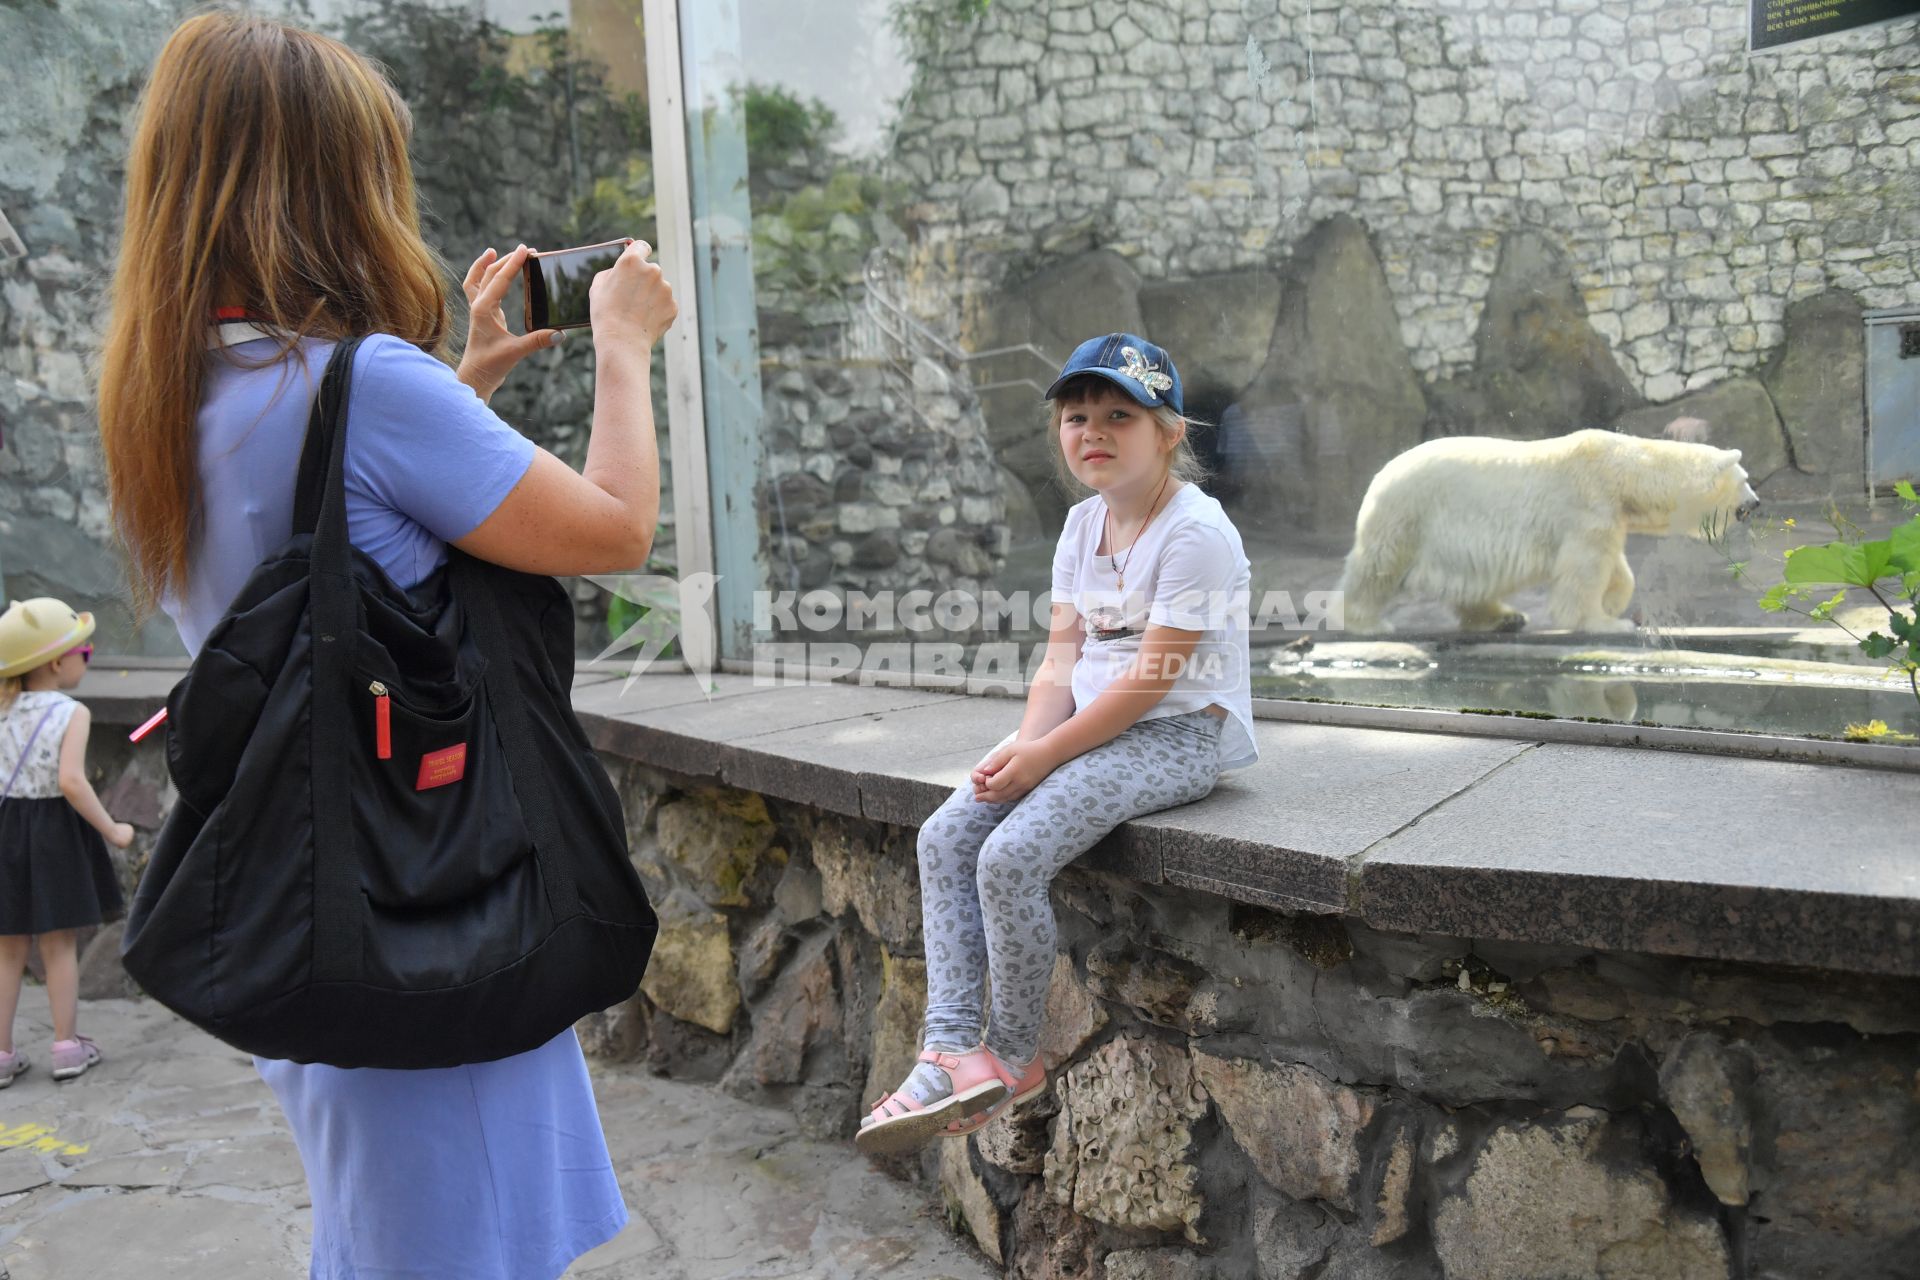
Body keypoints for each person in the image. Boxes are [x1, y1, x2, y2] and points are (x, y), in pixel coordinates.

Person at [94, 13, 676, 1278]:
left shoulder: (172, 383)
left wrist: (461, 381)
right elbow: (617, 530)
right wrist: (623, 347)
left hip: (316, 882)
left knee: (381, 1234)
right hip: (434, 888)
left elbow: (314, 550)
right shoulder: (364, 386)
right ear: (326, 185)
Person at [857, 333, 1259, 1156]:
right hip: (1084, 726)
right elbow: (1060, 659)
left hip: (1179, 735)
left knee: (1010, 858)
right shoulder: (1081, 526)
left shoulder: (1197, 534)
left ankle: (1011, 1056)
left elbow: (1152, 681)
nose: (1094, 431)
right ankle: (946, 1049)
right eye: (1078, 417)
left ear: (1169, 431)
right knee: (947, 834)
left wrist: (1046, 759)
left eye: (1120, 414)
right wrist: (1027, 748)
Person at [0, 597, 134, 1086]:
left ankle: (2, 1053)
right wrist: (113, 829)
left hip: (7, 831)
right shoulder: (70, 712)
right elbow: (73, 783)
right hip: (54, 835)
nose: (87, 657)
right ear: (56, 661)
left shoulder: (3, 709)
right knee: (58, 948)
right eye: (86, 651)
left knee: (7, 951)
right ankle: (65, 1047)